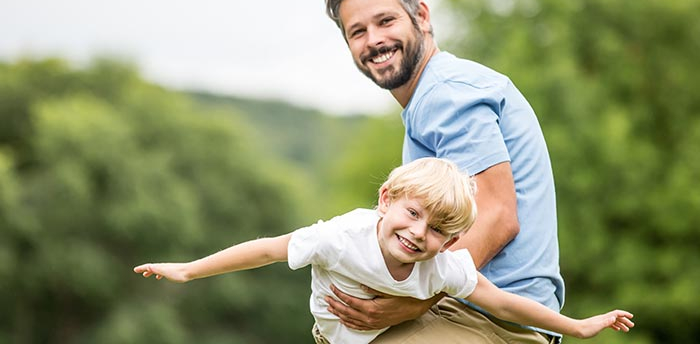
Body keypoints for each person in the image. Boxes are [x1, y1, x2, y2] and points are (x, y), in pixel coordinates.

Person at [134, 158, 633, 344]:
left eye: (438, 230)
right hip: (337, 336)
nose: (419, 234)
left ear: (452, 241)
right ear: (385, 201)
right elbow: (266, 249)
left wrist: (576, 326)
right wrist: (188, 271)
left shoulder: (442, 265)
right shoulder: (342, 237)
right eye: (413, 214)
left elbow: (499, 300)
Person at [324, 0, 568, 343]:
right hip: (472, 313)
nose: (374, 40)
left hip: (492, 320)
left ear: (421, 16)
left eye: (386, 21)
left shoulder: (444, 95)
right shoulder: (433, 96)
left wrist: (415, 299)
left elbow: (497, 215)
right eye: (357, 31)